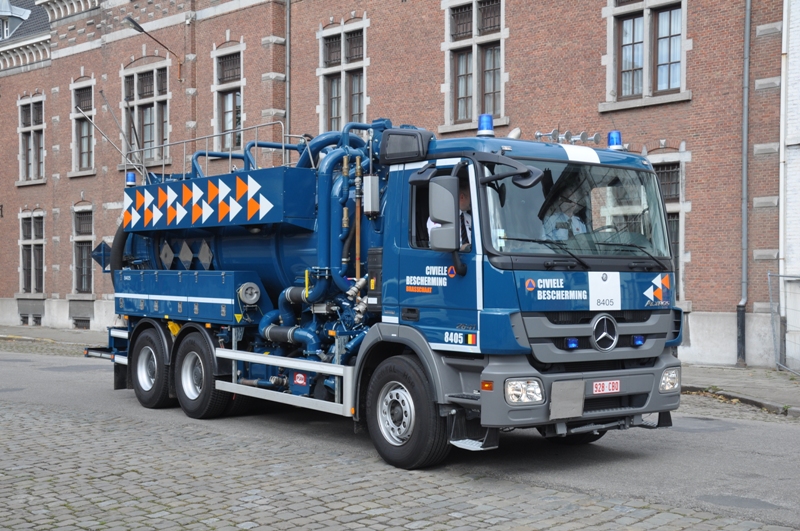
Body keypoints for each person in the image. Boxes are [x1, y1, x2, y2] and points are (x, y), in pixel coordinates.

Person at [427, 180, 472, 251]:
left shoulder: (469, 218)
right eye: (470, 197)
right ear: (462, 197)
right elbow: (440, 245)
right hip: (452, 257)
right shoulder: (438, 217)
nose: (472, 201)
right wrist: (462, 248)